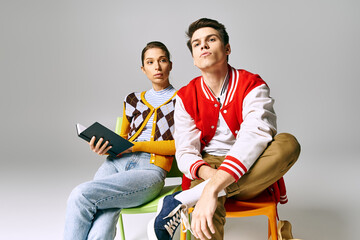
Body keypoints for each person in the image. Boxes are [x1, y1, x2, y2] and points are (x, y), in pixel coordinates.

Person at [147, 18, 300, 240]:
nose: (203, 46)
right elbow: (185, 152)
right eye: (197, 43)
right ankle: (202, 193)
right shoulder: (185, 96)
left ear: (227, 48)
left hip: (253, 165)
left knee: (288, 144)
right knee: (206, 219)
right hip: (208, 165)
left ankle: (182, 199)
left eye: (211, 39)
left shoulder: (252, 84)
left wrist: (211, 189)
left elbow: (255, 135)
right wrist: (212, 178)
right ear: (193, 58)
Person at [64, 41, 177, 240]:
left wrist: (136, 147)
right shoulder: (131, 99)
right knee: (105, 211)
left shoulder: (183, 99)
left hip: (150, 170)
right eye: (150, 62)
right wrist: (104, 147)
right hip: (116, 163)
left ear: (170, 64)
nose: (157, 67)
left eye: (162, 60)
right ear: (143, 69)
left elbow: (179, 146)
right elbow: (122, 140)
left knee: (81, 195)